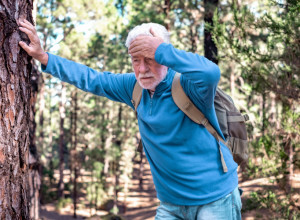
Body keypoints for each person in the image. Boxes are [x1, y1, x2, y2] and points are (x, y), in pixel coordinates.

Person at [19, 19, 242, 220]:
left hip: (216, 197)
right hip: (172, 205)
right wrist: (43, 56)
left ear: (165, 58)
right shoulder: (133, 88)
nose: (142, 69)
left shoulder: (189, 86)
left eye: (151, 59)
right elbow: (92, 79)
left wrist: (162, 51)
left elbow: (211, 73)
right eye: (136, 60)